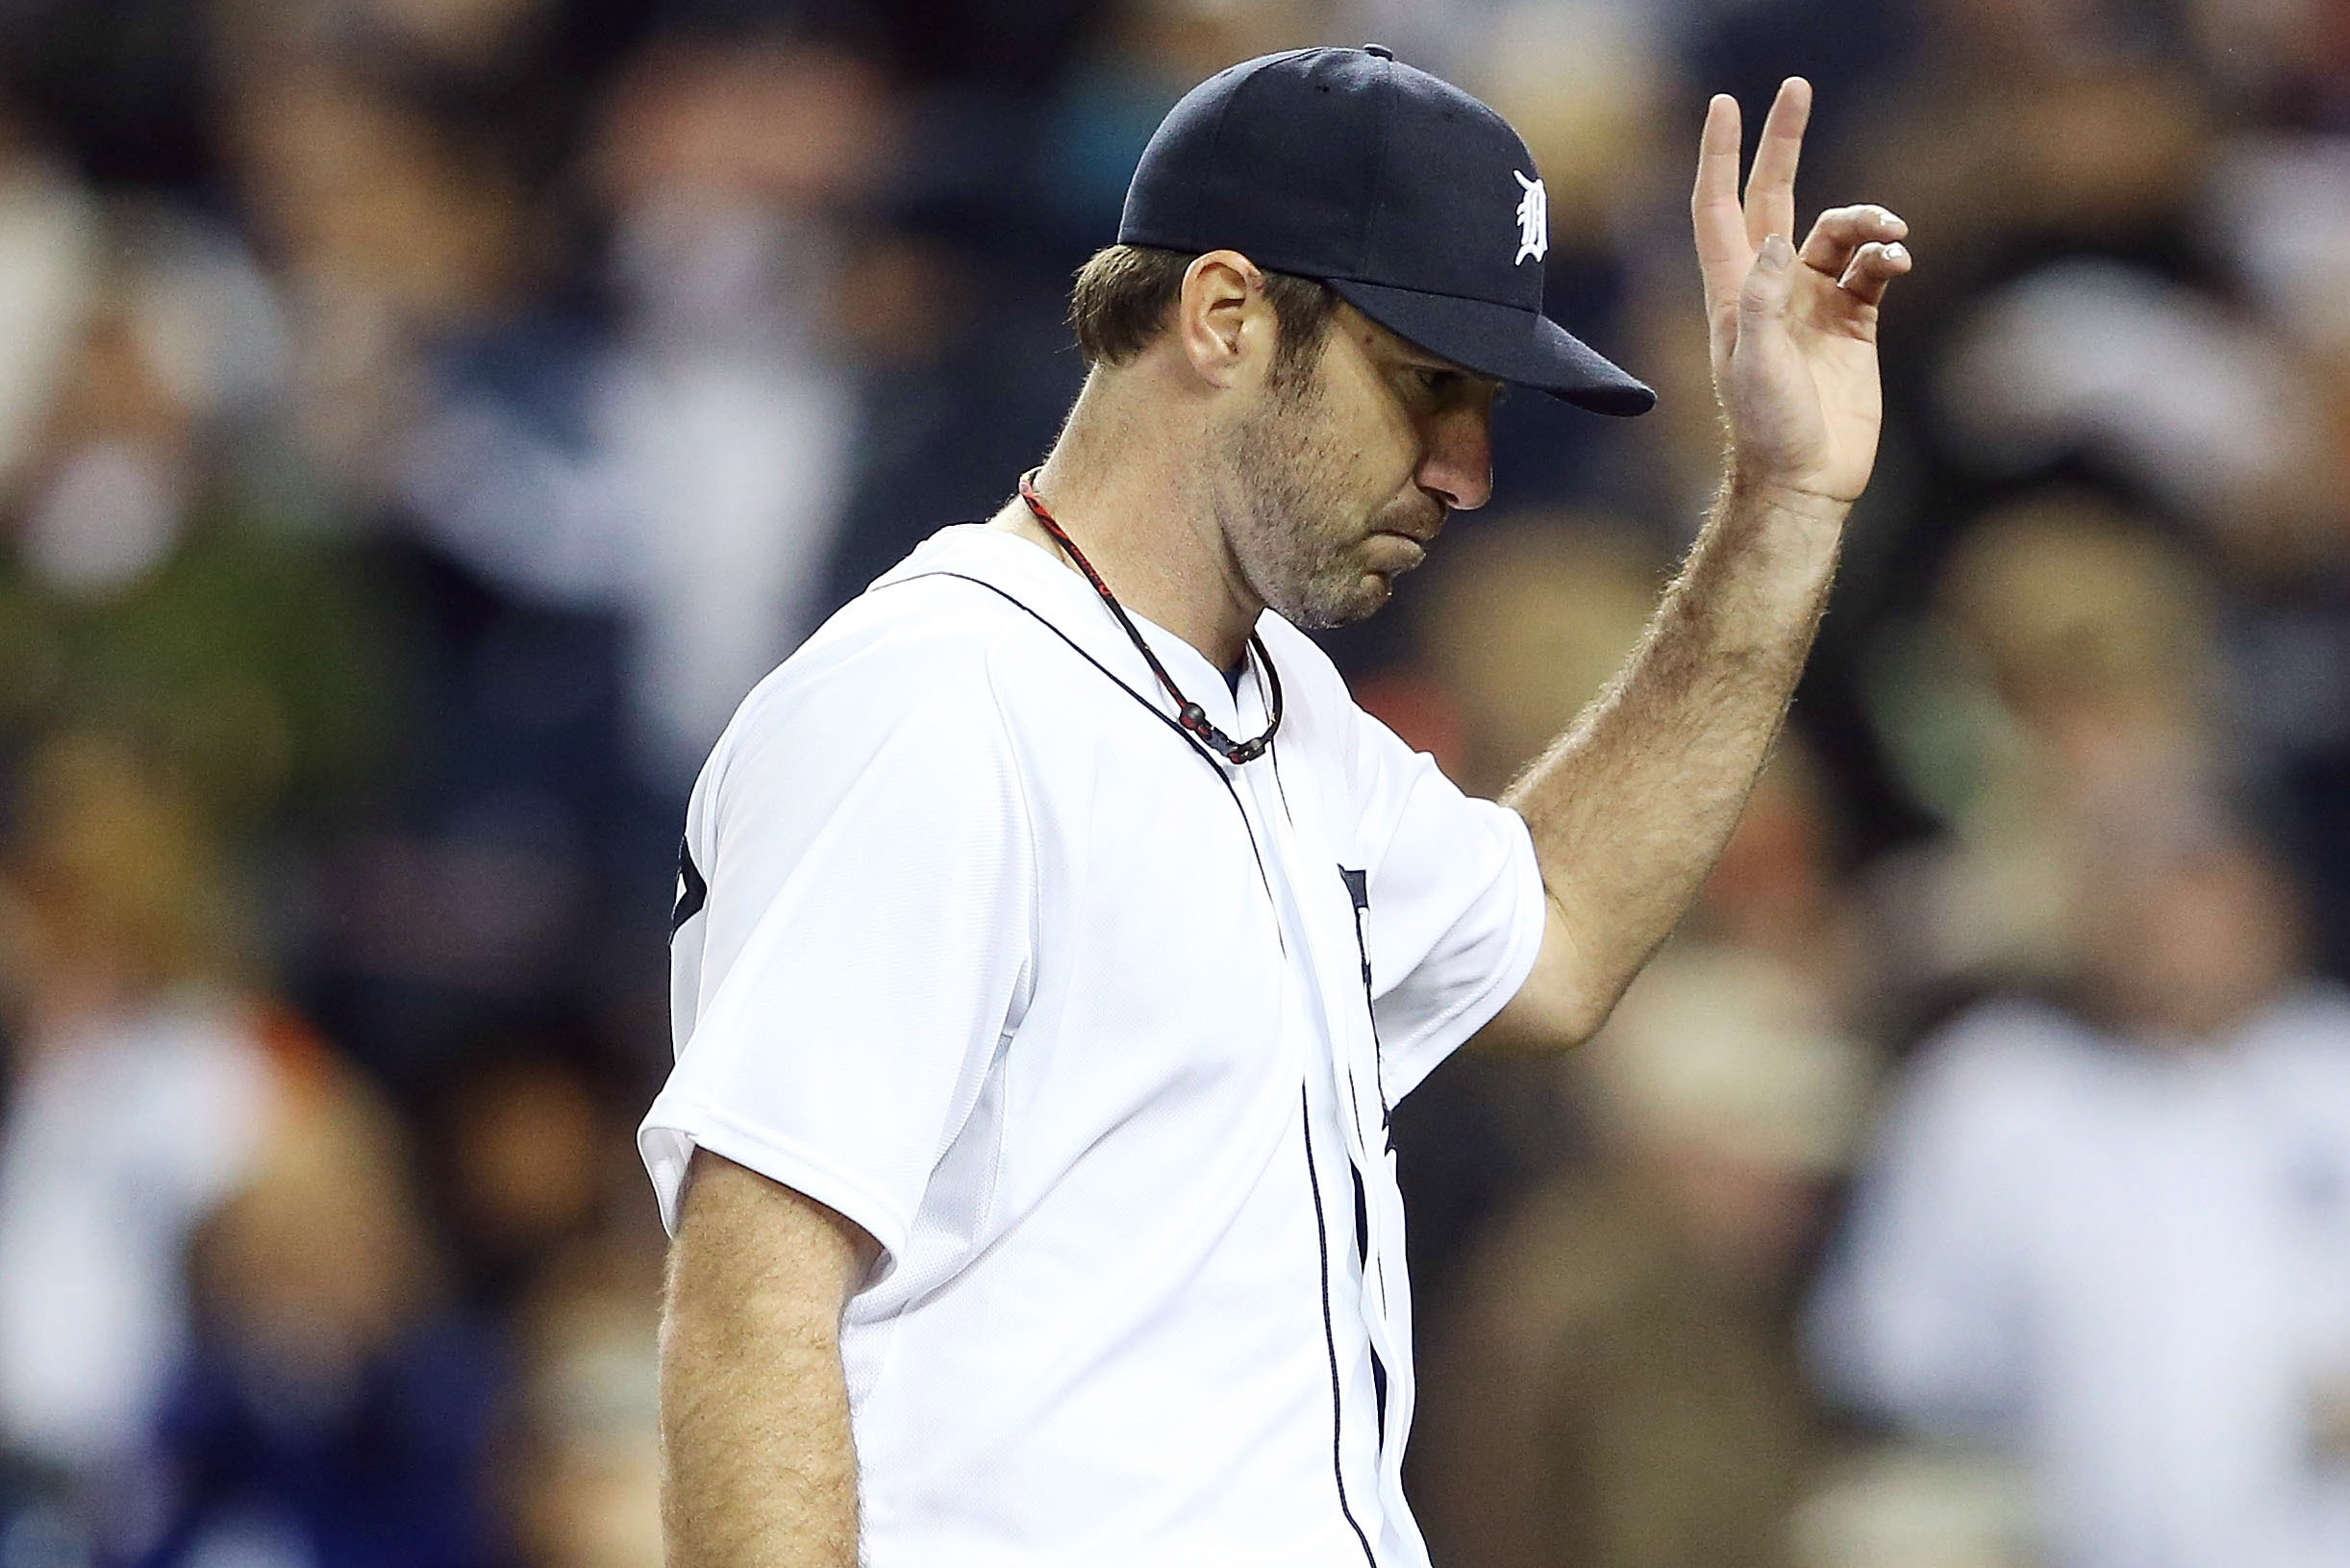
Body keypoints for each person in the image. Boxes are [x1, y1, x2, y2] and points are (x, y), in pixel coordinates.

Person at [643, 45, 1910, 1568]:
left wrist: (1780, 505)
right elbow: (752, 1299)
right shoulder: (940, 702)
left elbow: (1559, 932)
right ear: (1226, 314)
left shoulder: (1283, 706)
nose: (1470, 469)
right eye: (1426, 385)